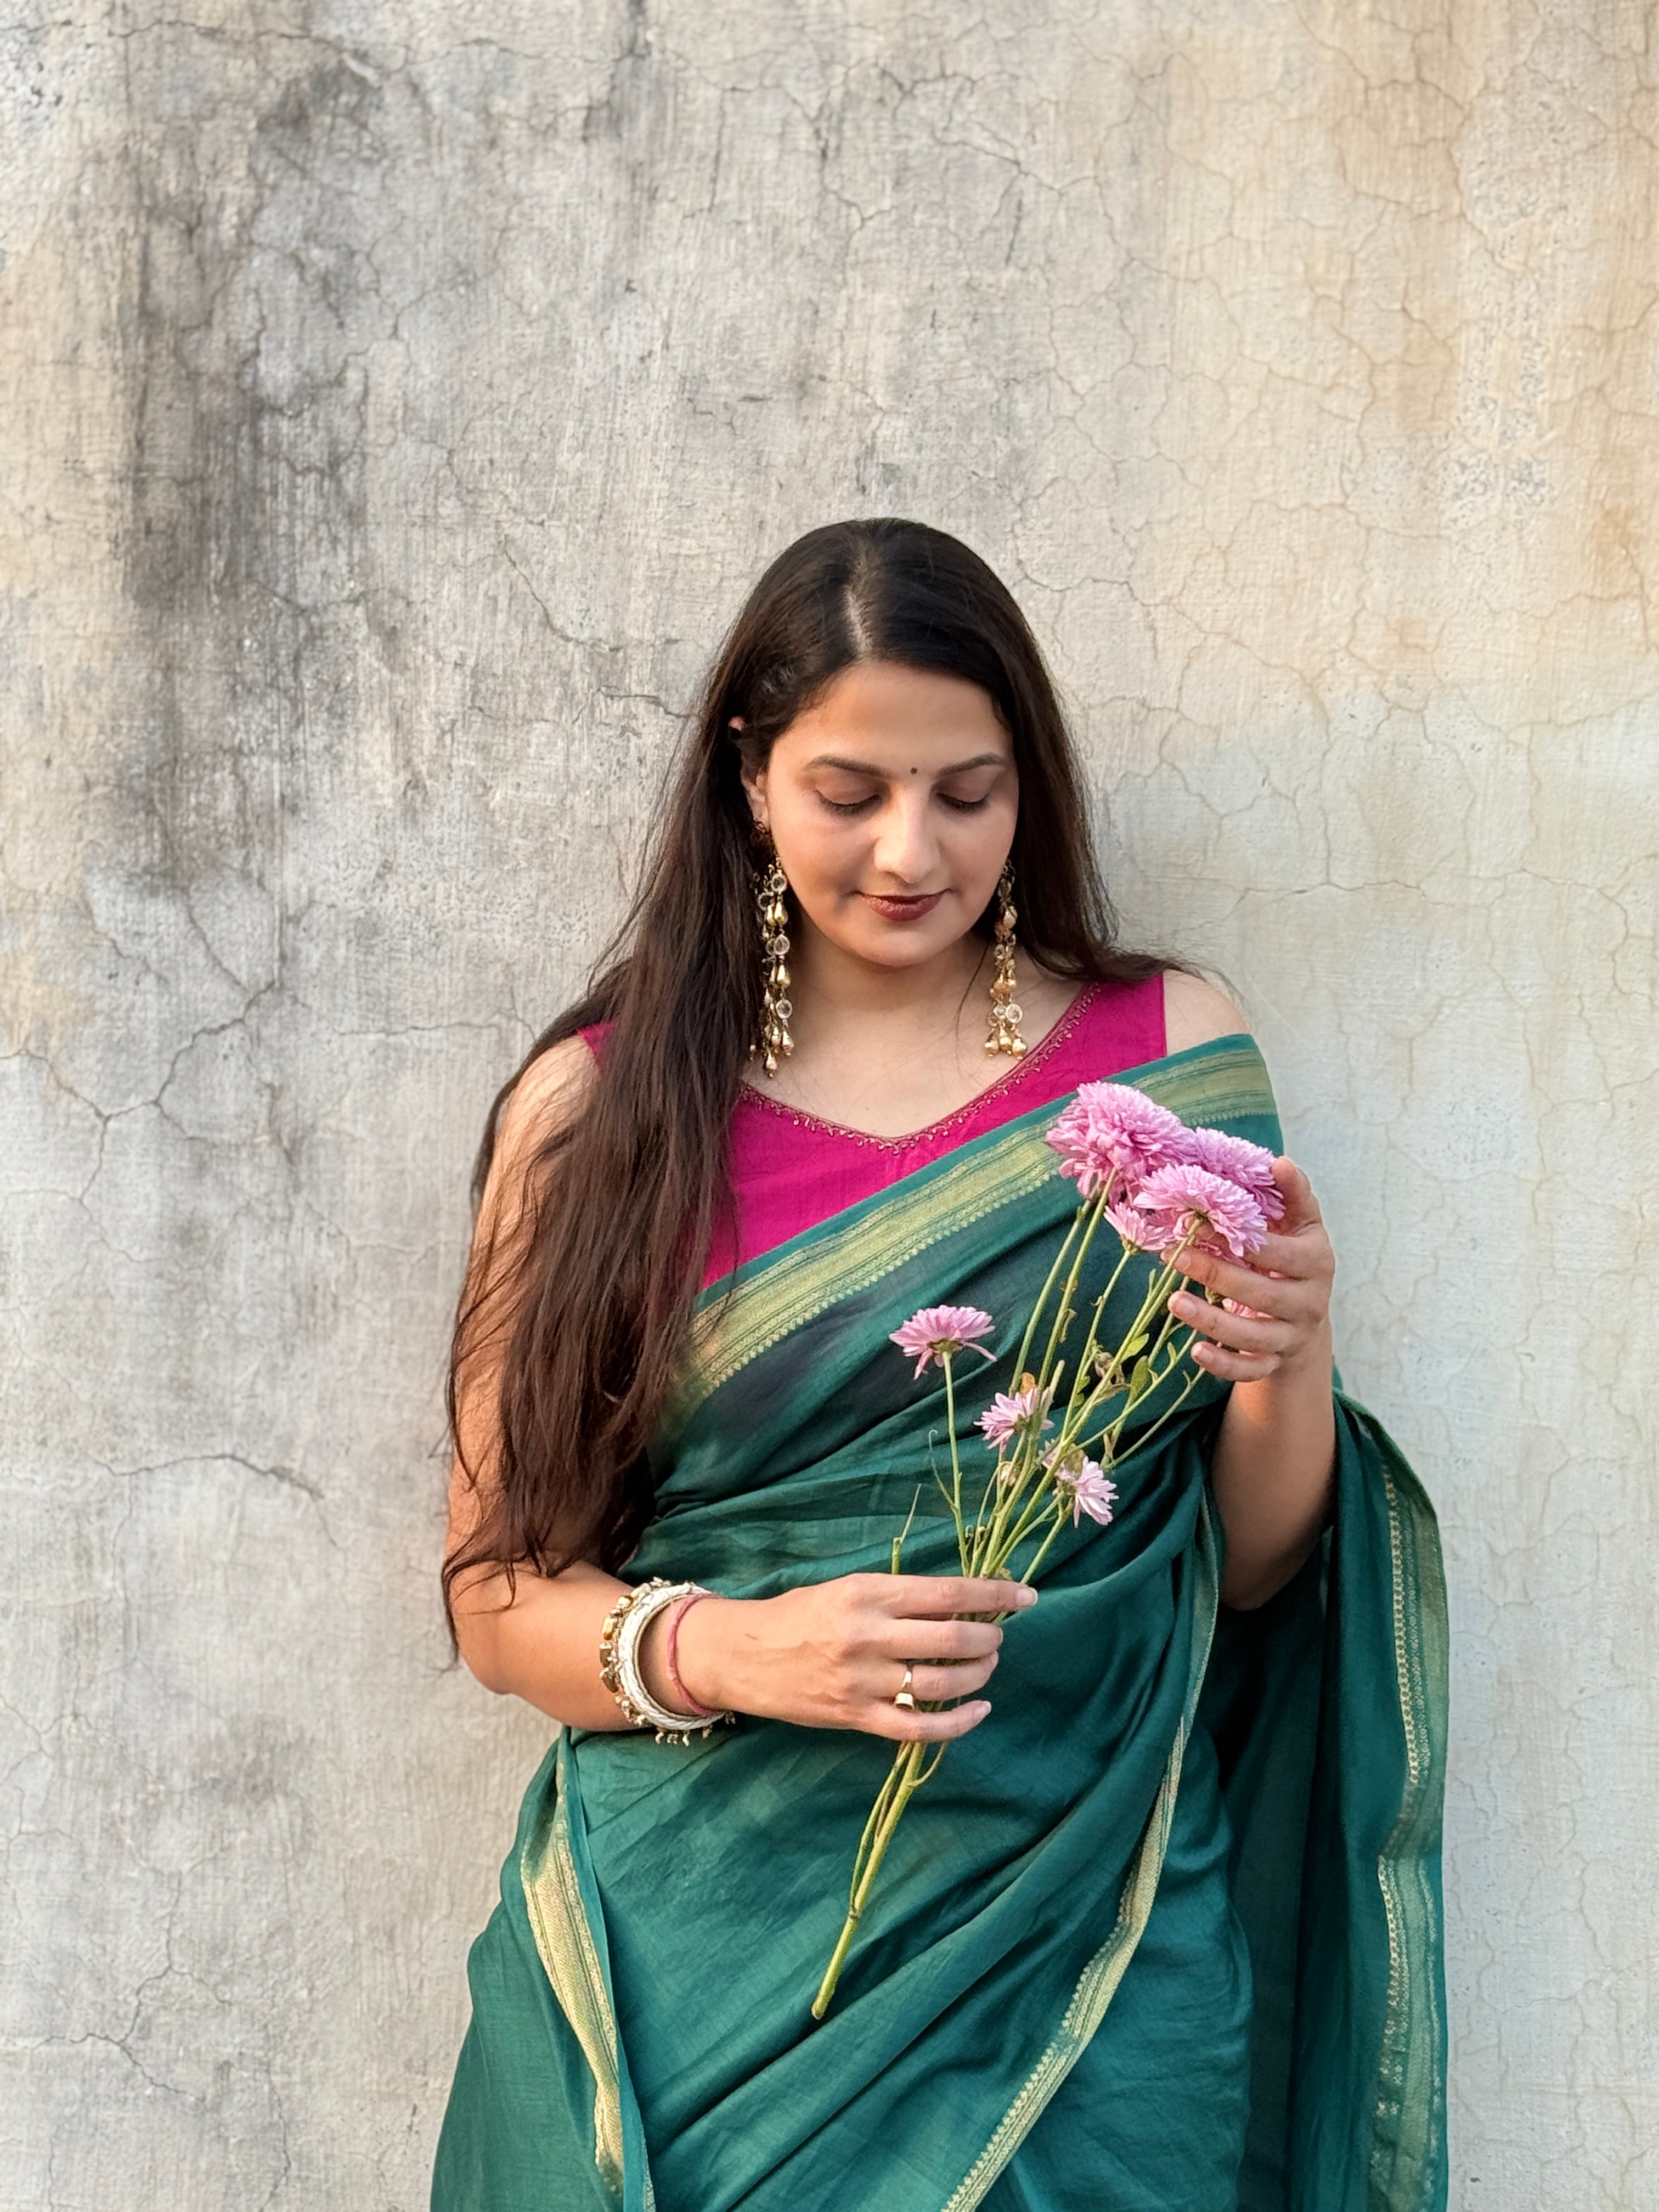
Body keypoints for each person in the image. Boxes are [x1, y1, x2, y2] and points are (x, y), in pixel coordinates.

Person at [431, 520, 1448, 2212]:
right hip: (708, 1971)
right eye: (851, 792)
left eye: (967, 792)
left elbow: (1250, 1573)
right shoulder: (599, 1118)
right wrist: (746, 1647)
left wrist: (1289, 1358)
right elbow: (496, 1597)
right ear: (750, 782)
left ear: (1026, 787)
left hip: (1096, 1945)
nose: (912, 849)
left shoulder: (1175, 1058)